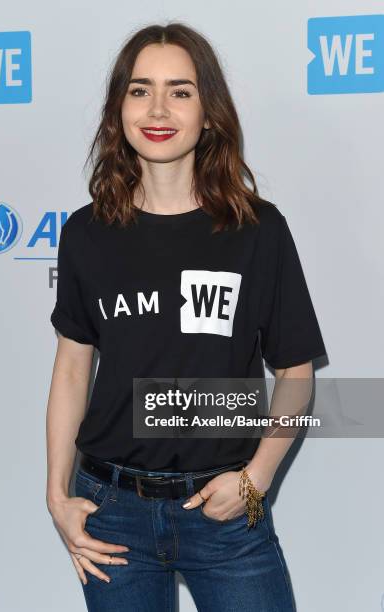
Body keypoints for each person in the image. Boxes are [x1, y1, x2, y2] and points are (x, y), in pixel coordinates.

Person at [46, 22, 327, 612]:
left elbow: (296, 376)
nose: (157, 108)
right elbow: (73, 370)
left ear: (209, 112)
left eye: (180, 90)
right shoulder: (85, 234)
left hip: (226, 516)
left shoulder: (258, 230)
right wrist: (57, 494)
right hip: (110, 514)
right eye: (139, 89)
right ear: (118, 106)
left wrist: (256, 480)